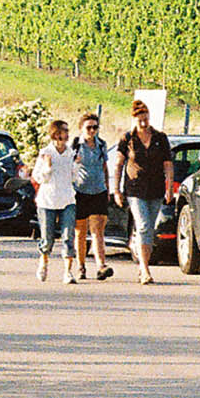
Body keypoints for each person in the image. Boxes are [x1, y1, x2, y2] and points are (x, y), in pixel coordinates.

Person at [116, 99, 175, 285]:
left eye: (146, 119)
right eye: (140, 120)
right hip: (135, 188)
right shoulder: (128, 139)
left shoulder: (160, 138)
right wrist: (116, 190)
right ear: (134, 120)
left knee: (149, 228)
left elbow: (168, 164)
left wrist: (169, 187)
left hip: (156, 188)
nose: (143, 123)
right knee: (142, 225)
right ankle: (144, 268)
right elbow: (118, 164)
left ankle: (144, 265)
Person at [29, 120, 81, 284]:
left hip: (67, 199)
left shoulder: (70, 153)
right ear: (56, 133)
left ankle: (68, 272)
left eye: (67, 131)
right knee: (48, 237)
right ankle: (43, 262)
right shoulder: (46, 152)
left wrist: (77, 166)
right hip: (47, 200)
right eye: (63, 131)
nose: (66, 134)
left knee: (68, 236)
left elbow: (74, 179)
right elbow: (38, 177)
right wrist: (47, 167)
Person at [70, 113, 116, 282]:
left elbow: (105, 167)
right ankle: (81, 266)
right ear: (81, 128)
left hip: (99, 190)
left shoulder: (101, 145)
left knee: (98, 231)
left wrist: (108, 189)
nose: (92, 130)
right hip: (80, 192)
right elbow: (68, 166)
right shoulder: (75, 145)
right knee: (80, 232)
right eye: (88, 127)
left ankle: (101, 266)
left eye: (95, 127)